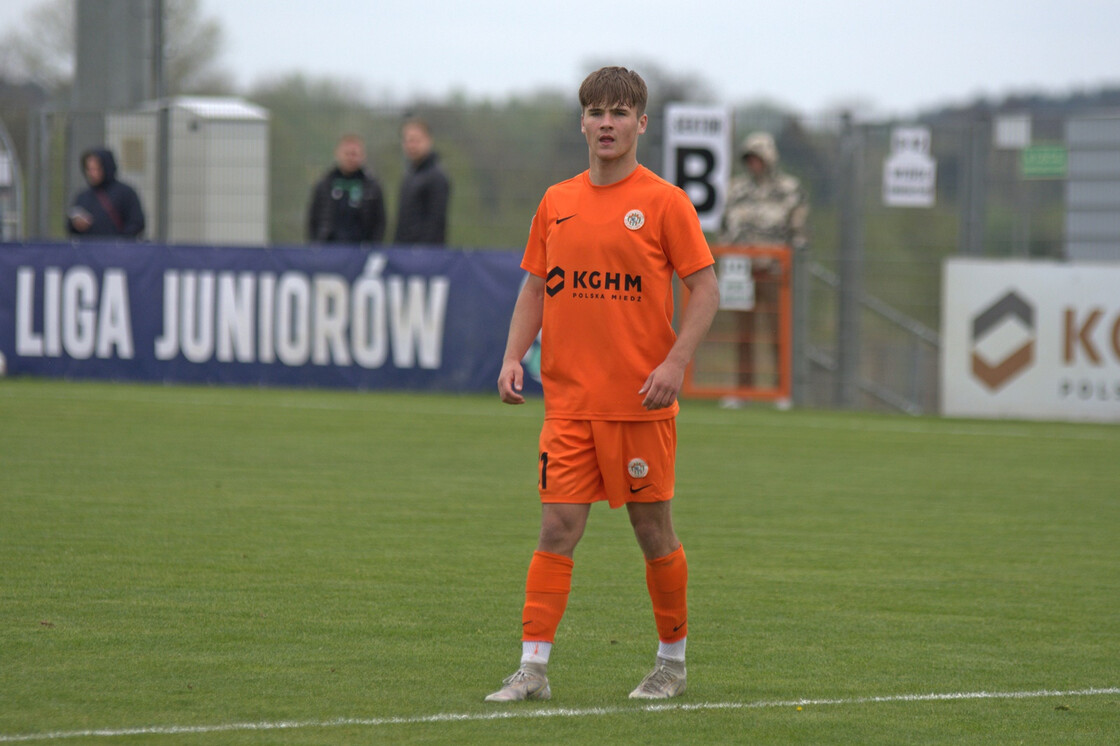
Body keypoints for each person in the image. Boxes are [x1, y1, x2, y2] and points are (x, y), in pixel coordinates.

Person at [487, 66, 720, 703]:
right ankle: (532, 668)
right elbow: (535, 285)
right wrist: (514, 355)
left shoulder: (667, 203)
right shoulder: (556, 202)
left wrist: (674, 364)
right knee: (556, 529)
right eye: (596, 112)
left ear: (641, 123)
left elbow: (706, 288)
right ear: (583, 122)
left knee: (654, 533)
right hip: (567, 403)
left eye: (620, 113)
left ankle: (670, 663)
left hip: (639, 404)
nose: (607, 124)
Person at [717, 132, 809, 405]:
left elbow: (800, 231)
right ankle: (743, 390)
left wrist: (787, 258)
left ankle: (781, 391)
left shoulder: (790, 189)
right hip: (741, 271)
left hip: (775, 271)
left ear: (769, 160)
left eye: (758, 158)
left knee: (778, 332)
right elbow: (725, 227)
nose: (753, 164)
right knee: (742, 333)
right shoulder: (737, 189)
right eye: (749, 159)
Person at [307, 134, 387, 244]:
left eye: (354, 154)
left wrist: (372, 245)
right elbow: (313, 219)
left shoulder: (372, 186)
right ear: (337, 154)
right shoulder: (325, 184)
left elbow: (379, 221)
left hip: (360, 249)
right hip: (330, 248)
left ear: (363, 156)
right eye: (347, 154)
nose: (350, 158)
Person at [392, 118, 450, 245]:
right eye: (407, 141)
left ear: (429, 141)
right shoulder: (409, 175)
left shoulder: (437, 177)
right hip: (403, 251)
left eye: (416, 140)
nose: (411, 146)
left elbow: (436, 222)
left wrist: (422, 254)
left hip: (425, 255)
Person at [67, 148, 145, 239]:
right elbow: (71, 225)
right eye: (89, 169)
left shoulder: (125, 193)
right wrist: (76, 225)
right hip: (89, 250)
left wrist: (120, 242)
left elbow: (137, 222)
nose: (92, 173)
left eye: (96, 169)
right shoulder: (83, 196)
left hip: (117, 250)